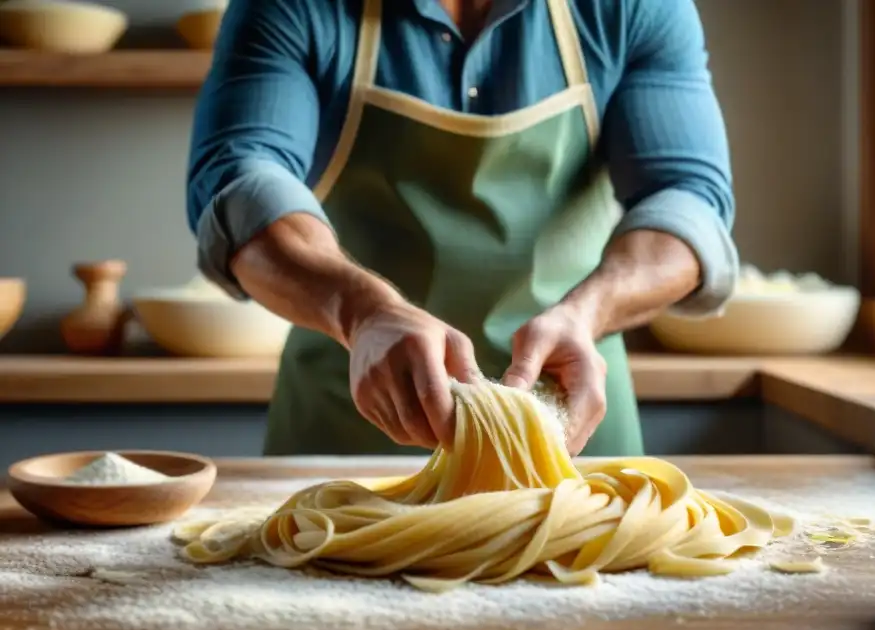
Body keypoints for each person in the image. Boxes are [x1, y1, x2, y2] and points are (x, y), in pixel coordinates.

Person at [186, 0, 738, 458]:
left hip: (573, 428)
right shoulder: (294, 6)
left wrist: (588, 312)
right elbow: (240, 185)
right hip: (352, 431)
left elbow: (687, 198)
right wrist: (362, 313)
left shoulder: (632, 7)